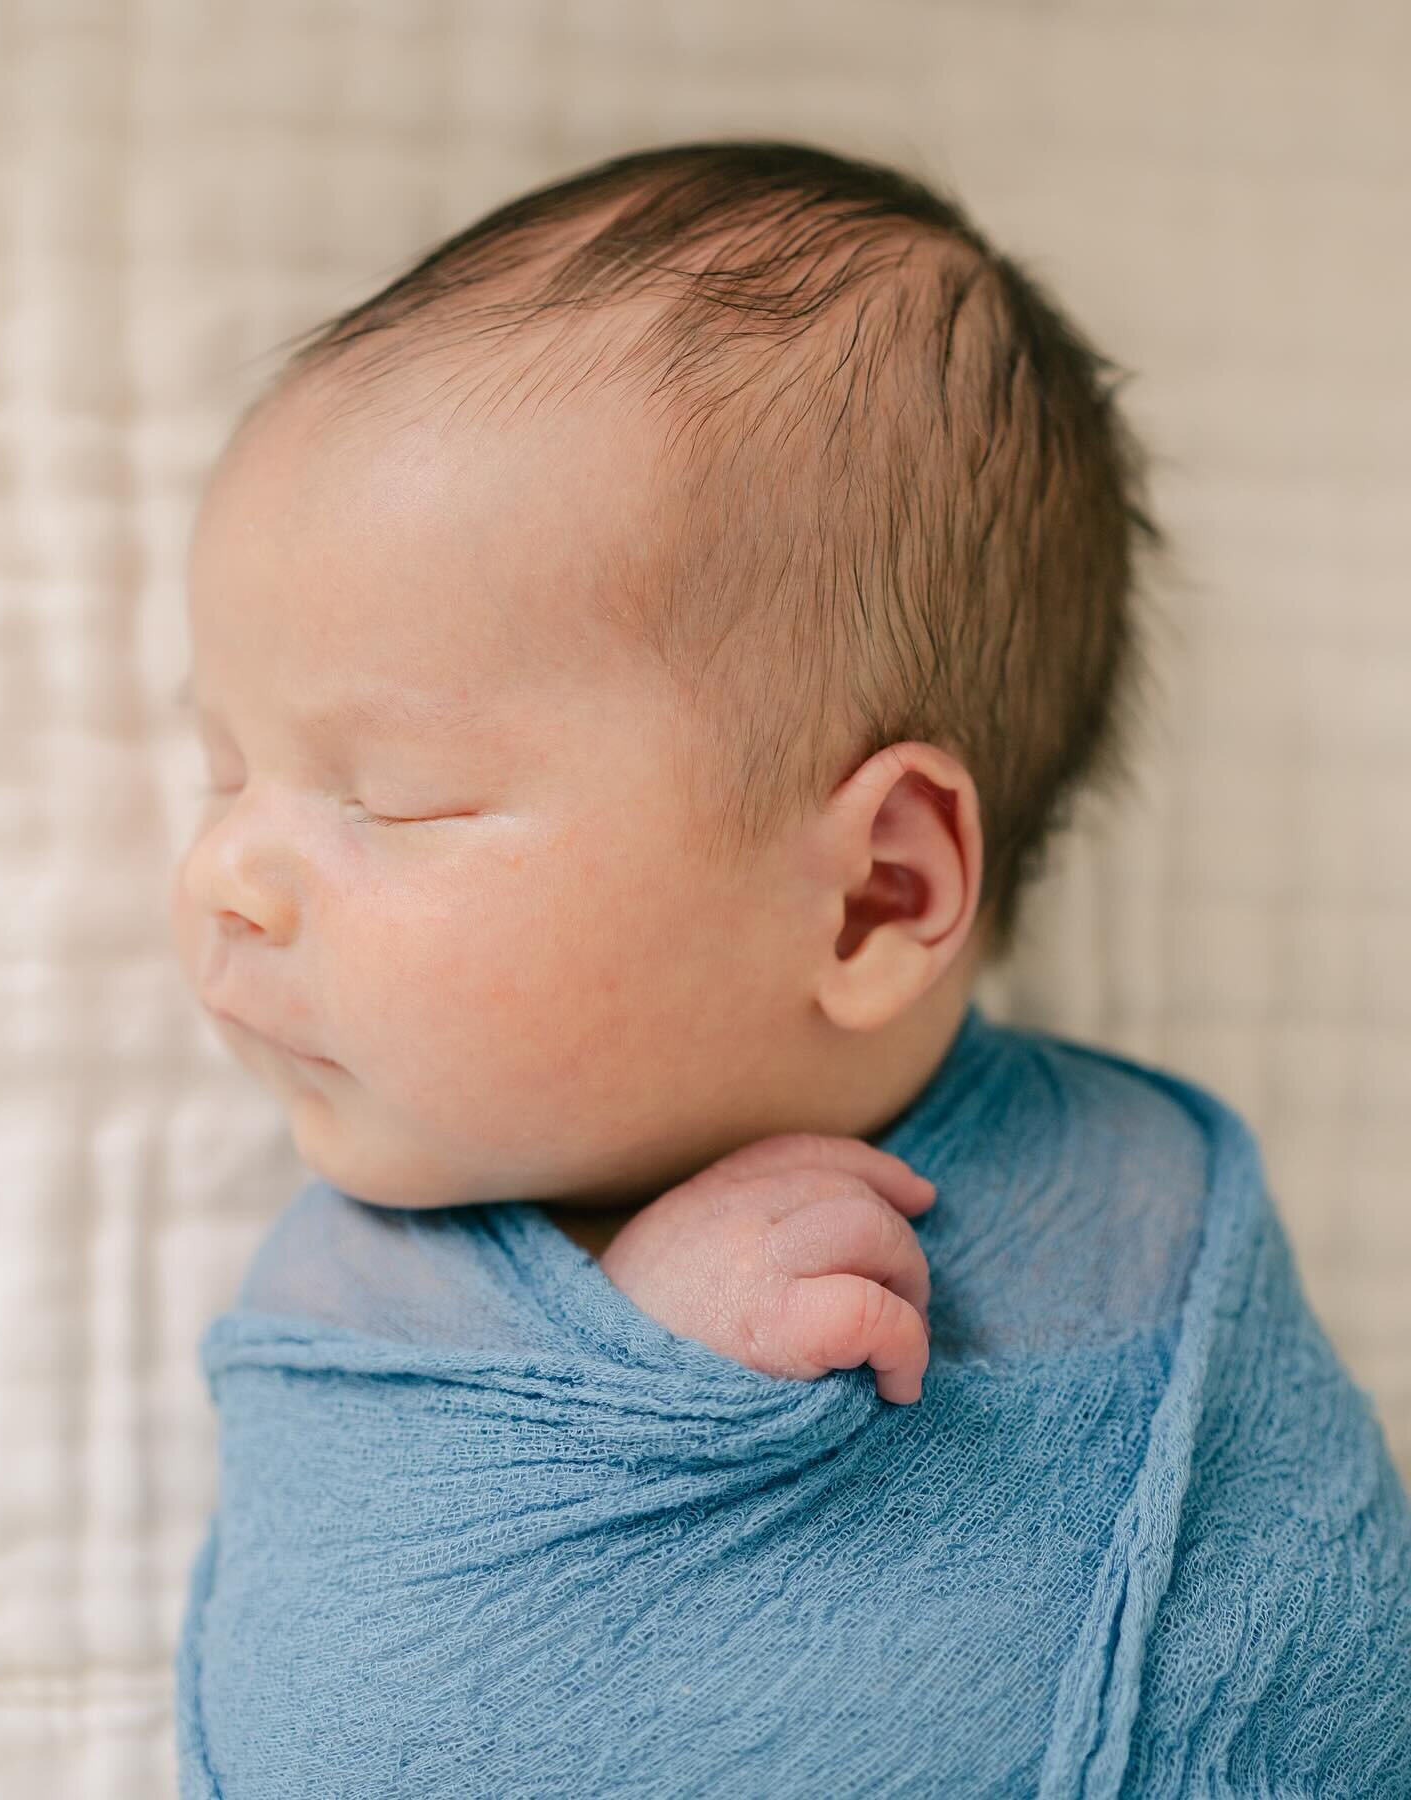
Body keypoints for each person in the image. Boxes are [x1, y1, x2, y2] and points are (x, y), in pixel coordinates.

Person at [171, 141, 1411, 1796]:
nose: (222, 877)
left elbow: (1302, 1668)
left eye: (391, 796)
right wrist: (639, 1357)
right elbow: (351, 1693)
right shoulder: (374, 1305)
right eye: (221, 773)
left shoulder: (1130, 1232)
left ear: (873, 898)